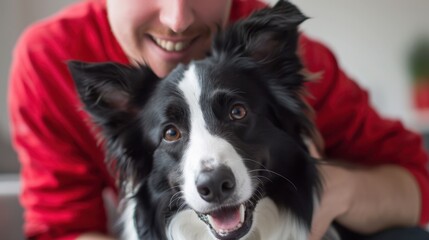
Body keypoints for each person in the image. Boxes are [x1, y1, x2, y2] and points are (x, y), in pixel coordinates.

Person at [7, 0, 429, 239]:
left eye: (238, 111)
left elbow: (418, 182)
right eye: (171, 132)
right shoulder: (49, 60)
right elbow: (61, 229)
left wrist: (340, 190)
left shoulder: (271, 48)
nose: (177, 18)